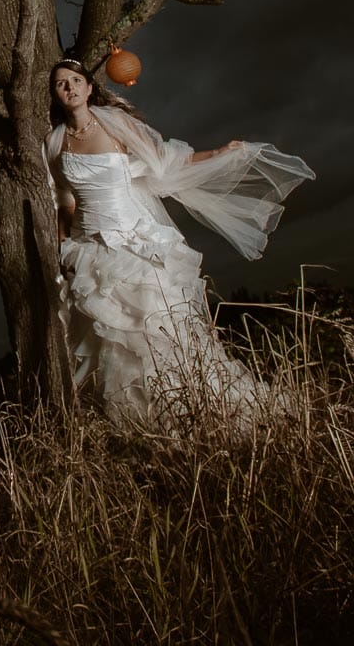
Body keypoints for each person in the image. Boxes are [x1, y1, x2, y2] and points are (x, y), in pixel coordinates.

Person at [45, 58, 314, 425]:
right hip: (91, 253)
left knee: (157, 330)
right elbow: (64, 199)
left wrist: (218, 154)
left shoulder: (115, 124)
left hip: (135, 245)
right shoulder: (55, 141)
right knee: (108, 341)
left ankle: (195, 410)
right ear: (55, 94)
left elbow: (167, 163)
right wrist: (63, 244)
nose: (70, 88)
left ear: (90, 88)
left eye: (76, 80)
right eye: (62, 83)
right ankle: (135, 421)